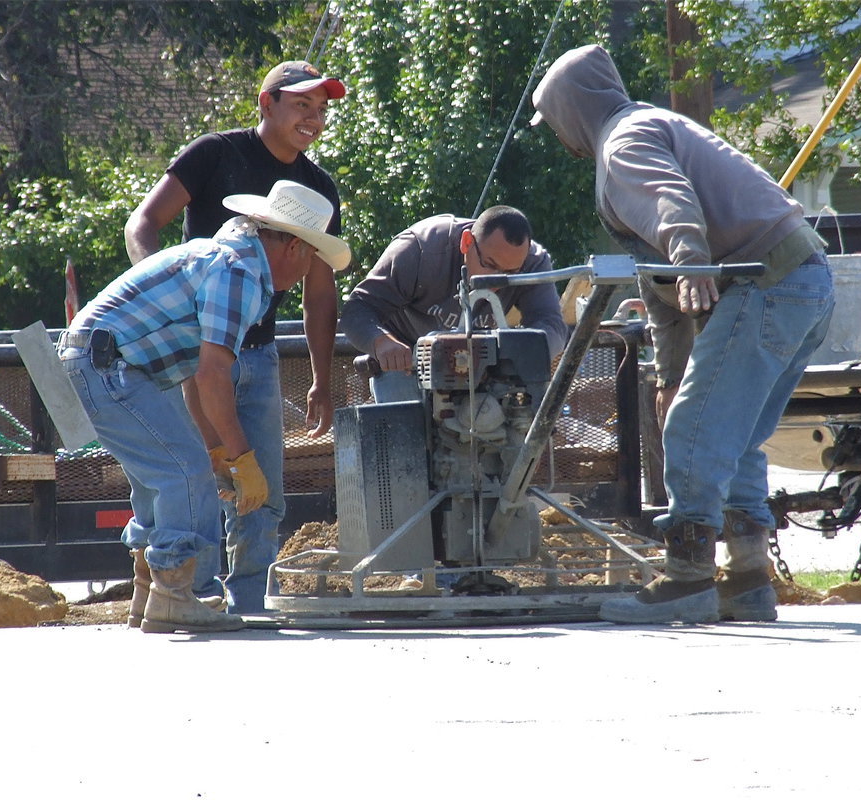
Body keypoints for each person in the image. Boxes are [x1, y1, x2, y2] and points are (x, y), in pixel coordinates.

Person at [531, 44, 834, 624]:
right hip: (804, 280)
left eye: (556, 122)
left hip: (763, 281)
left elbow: (672, 201)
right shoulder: (649, 124)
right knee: (735, 437)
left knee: (693, 428)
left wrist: (691, 257)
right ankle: (747, 580)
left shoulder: (623, 143)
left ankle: (689, 577)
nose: (560, 139)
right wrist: (670, 375)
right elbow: (658, 285)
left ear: (572, 110)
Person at [61, 181, 351, 633]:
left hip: (101, 361)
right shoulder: (240, 274)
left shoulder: (227, 259)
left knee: (163, 476)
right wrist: (242, 458)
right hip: (109, 366)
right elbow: (213, 375)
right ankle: (178, 595)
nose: (307, 272)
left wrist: (218, 449)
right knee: (183, 471)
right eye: (312, 257)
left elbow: (195, 373)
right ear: (295, 247)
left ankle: (150, 592)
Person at [124, 61, 348, 614]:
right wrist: (168, 304)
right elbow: (142, 224)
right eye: (301, 104)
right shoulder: (215, 154)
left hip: (260, 354)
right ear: (267, 103)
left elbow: (320, 292)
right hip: (195, 353)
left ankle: (248, 605)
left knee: (258, 487)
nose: (313, 118)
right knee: (199, 477)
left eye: (321, 110)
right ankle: (189, 597)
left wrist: (322, 378)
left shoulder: (317, 191)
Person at [340, 205, 568, 403]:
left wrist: (513, 353)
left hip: (483, 369)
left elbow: (553, 326)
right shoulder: (420, 249)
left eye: (510, 273)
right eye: (489, 265)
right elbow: (357, 309)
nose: (496, 282)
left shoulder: (533, 262)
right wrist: (381, 342)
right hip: (407, 366)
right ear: (467, 242)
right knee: (406, 432)